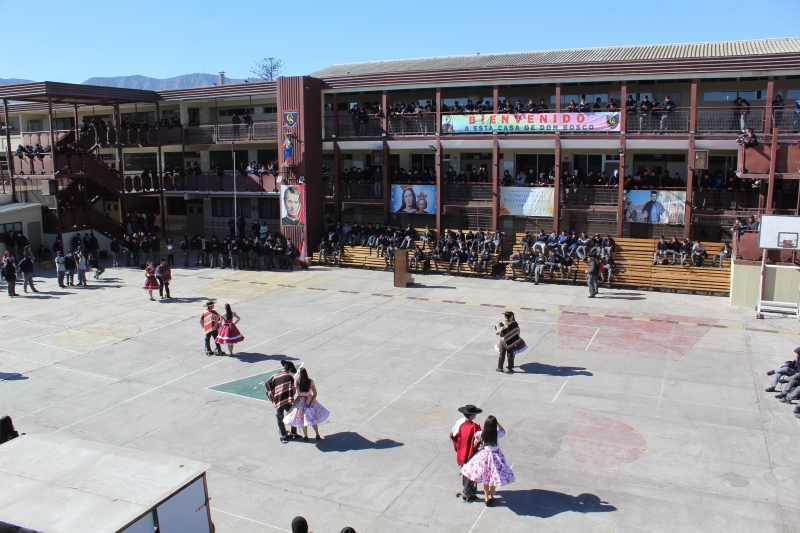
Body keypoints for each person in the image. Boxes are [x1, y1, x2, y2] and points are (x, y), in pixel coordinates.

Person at [460, 415, 515, 506]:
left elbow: (474, 444)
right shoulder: (497, 433)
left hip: (485, 456)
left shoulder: (481, 434)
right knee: (493, 478)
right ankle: (491, 496)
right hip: (496, 456)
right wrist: (497, 423)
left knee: (486, 478)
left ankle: (486, 498)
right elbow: (503, 431)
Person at [283, 368, 330, 441]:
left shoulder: (297, 382)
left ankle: (306, 436)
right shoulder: (310, 381)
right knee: (313, 418)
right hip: (309, 400)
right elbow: (315, 393)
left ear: (299, 374)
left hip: (300, 402)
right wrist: (311, 403)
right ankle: (317, 434)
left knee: (303, 420)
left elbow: (293, 392)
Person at [450, 404, 483, 502]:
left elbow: (453, 435)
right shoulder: (474, 426)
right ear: (472, 415)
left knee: (464, 469)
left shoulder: (461, 424)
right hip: (470, 452)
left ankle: (465, 487)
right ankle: (467, 492)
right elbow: (478, 440)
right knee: (471, 471)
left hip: (462, 450)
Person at [266, 360, 299, 443]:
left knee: (279, 416)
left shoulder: (275, 376)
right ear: (290, 369)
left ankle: (283, 435)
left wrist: (272, 395)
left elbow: (267, 384)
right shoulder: (289, 378)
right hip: (286, 400)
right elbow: (292, 390)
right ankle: (293, 433)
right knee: (294, 414)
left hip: (277, 400)